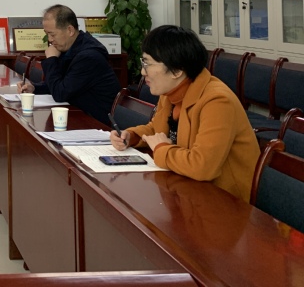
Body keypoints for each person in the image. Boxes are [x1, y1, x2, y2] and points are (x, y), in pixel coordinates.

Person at [109, 25, 260, 203]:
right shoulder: (171, 92)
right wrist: (132, 136)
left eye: (148, 64)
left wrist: (161, 149)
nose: (143, 72)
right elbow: (157, 130)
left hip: (225, 200)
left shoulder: (217, 101)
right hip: (187, 188)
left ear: (177, 70)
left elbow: (203, 166)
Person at [18, 4, 121, 124]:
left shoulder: (88, 57)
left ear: (70, 30)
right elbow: (60, 83)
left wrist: (51, 59)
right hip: (78, 114)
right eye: (47, 34)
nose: (49, 39)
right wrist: (35, 88)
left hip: (98, 123)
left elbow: (60, 93)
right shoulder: (71, 47)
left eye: (52, 34)